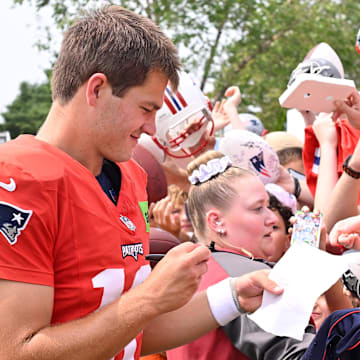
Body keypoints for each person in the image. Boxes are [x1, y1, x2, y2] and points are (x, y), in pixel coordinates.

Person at [0, 5, 284, 360]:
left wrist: (232, 297)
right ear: (97, 90)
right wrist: (148, 299)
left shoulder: (130, 176)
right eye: (147, 109)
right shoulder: (17, 179)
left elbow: (129, 336)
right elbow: (14, 351)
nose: (152, 128)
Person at [167, 150, 315, 360]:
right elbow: (303, 355)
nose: (272, 218)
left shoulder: (183, 270)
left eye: (269, 206)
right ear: (216, 221)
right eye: (258, 209)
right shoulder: (246, 276)